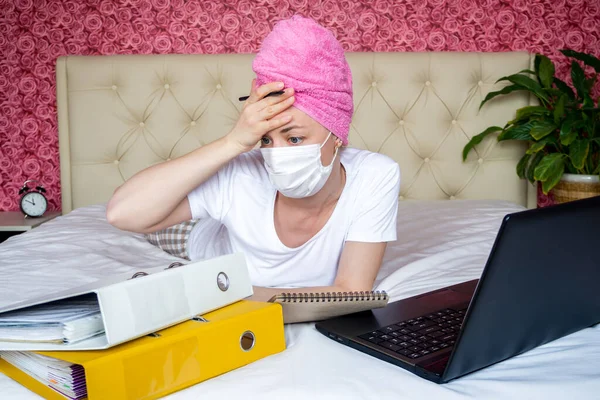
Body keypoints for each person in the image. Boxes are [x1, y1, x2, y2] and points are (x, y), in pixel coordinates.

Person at [106, 16, 401, 302]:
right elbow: (122, 214)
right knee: (156, 220)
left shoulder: (375, 175)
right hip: (199, 236)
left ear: (336, 135)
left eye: (295, 138)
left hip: (230, 259)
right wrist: (233, 141)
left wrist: (233, 293)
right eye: (266, 139)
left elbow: (351, 291)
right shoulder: (240, 173)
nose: (277, 154)